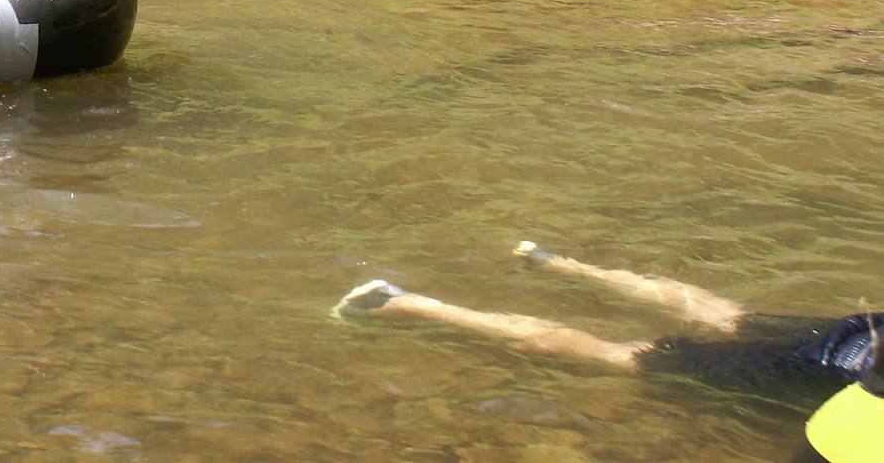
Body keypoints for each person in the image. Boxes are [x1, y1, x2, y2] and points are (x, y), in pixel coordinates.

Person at [333, 240, 879, 401]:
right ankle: (404, 302)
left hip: (861, 332)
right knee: (618, 355)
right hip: (826, 371)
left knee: (730, 316)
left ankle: (555, 262)